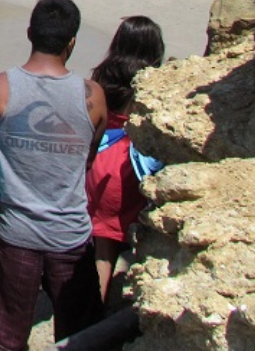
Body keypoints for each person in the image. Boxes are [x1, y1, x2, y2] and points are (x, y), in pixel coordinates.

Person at [0, 0, 106, 350]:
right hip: (70, 234)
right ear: (72, 42)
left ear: (29, 33)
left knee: (2, 337)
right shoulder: (93, 96)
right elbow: (88, 156)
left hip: (14, 232)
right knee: (81, 334)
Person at [85, 16, 165, 303]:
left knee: (102, 249)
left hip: (101, 162)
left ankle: (91, 314)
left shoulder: (102, 76)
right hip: (132, 165)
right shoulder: (152, 83)